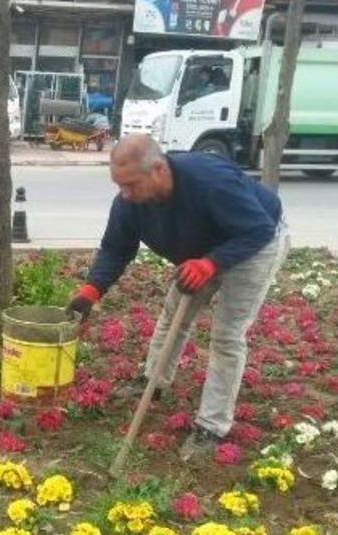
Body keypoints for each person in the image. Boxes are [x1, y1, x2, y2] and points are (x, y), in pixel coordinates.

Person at [66, 134, 290, 461]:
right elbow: (116, 249)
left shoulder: (210, 181)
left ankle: (212, 426)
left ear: (158, 169)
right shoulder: (129, 204)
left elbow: (258, 229)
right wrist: (91, 291)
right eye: (119, 185)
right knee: (174, 317)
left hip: (253, 244)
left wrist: (212, 263)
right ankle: (153, 382)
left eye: (130, 184)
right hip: (200, 250)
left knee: (227, 336)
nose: (125, 194)